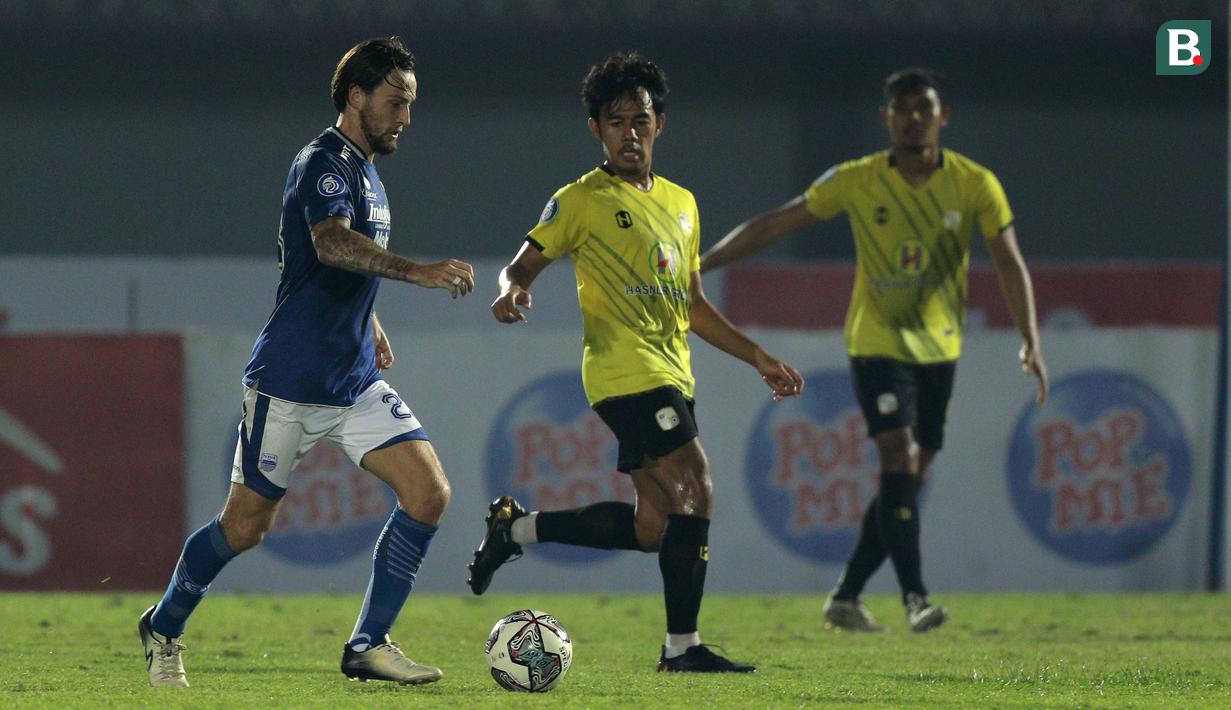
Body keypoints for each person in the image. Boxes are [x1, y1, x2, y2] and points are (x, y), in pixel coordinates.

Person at [138, 37, 476, 688]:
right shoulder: (321, 160)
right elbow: (327, 244)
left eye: (411, 103)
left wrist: (368, 320)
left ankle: (367, 645)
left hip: (352, 379)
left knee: (428, 491)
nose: (406, 117)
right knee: (244, 529)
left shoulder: (367, 174)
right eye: (396, 102)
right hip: (290, 382)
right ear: (356, 95)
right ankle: (163, 624)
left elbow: (313, 260)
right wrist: (415, 272)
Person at [469, 52, 804, 673]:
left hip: (672, 372)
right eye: (616, 121)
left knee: (655, 528)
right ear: (596, 129)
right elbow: (521, 264)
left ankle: (514, 530)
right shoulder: (580, 200)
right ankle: (682, 649)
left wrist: (756, 355)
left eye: (640, 120)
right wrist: (511, 290)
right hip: (623, 373)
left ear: (659, 125)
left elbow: (693, 304)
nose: (630, 133)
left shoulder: (683, 203)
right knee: (696, 485)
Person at [700, 67, 1048, 633]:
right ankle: (916, 599)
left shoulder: (974, 183)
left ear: (943, 116)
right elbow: (779, 223)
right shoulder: (858, 179)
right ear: (886, 118)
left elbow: (1009, 262)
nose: (914, 118)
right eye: (902, 109)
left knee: (907, 479)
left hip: (940, 349)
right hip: (876, 343)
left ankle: (845, 596)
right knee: (896, 459)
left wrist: (1030, 338)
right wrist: (705, 262)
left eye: (924, 108)